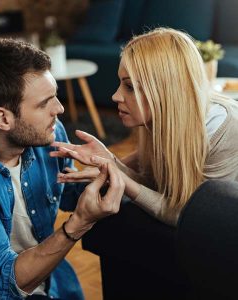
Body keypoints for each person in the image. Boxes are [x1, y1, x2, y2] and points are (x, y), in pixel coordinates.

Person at [0, 38, 125, 299]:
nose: (59, 109)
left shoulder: (47, 133)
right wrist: (78, 225)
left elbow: (68, 195)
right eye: (44, 103)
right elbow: (0, 280)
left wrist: (106, 171)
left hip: (48, 281)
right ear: (2, 118)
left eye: (55, 96)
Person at [50, 27, 238, 226]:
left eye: (129, 87)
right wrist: (110, 162)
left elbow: (190, 216)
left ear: (165, 90)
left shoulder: (226, 129)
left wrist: (117, 173)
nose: (115, 96)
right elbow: (154, 188)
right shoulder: (162, 119)